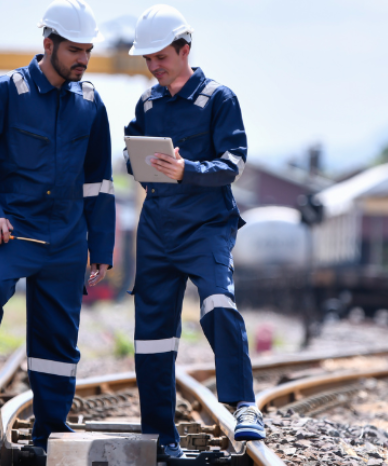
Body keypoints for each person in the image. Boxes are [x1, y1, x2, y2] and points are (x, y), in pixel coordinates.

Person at [0, 0, 115, 452]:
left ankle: (51, 426)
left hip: (68, 238)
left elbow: (99, 183)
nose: (83, 59)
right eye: (74, 49)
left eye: (88, 51)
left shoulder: (91, 105)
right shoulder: (5, 93)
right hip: (14, 230)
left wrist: (102, 245)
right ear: (48, 43)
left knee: (59, 334)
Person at [123, 4, 265, 458]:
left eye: (159, 57)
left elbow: (233, 163)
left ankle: (245, 405)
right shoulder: (148, 102)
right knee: (152, 334)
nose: (153, 66)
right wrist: (140, 162)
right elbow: (130, 153)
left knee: (218, 303)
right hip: (158, 228)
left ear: (185, 49)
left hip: (206, 226)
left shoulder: (219, 99)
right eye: (147, 59)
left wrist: (187, 170)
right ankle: (160, 436)